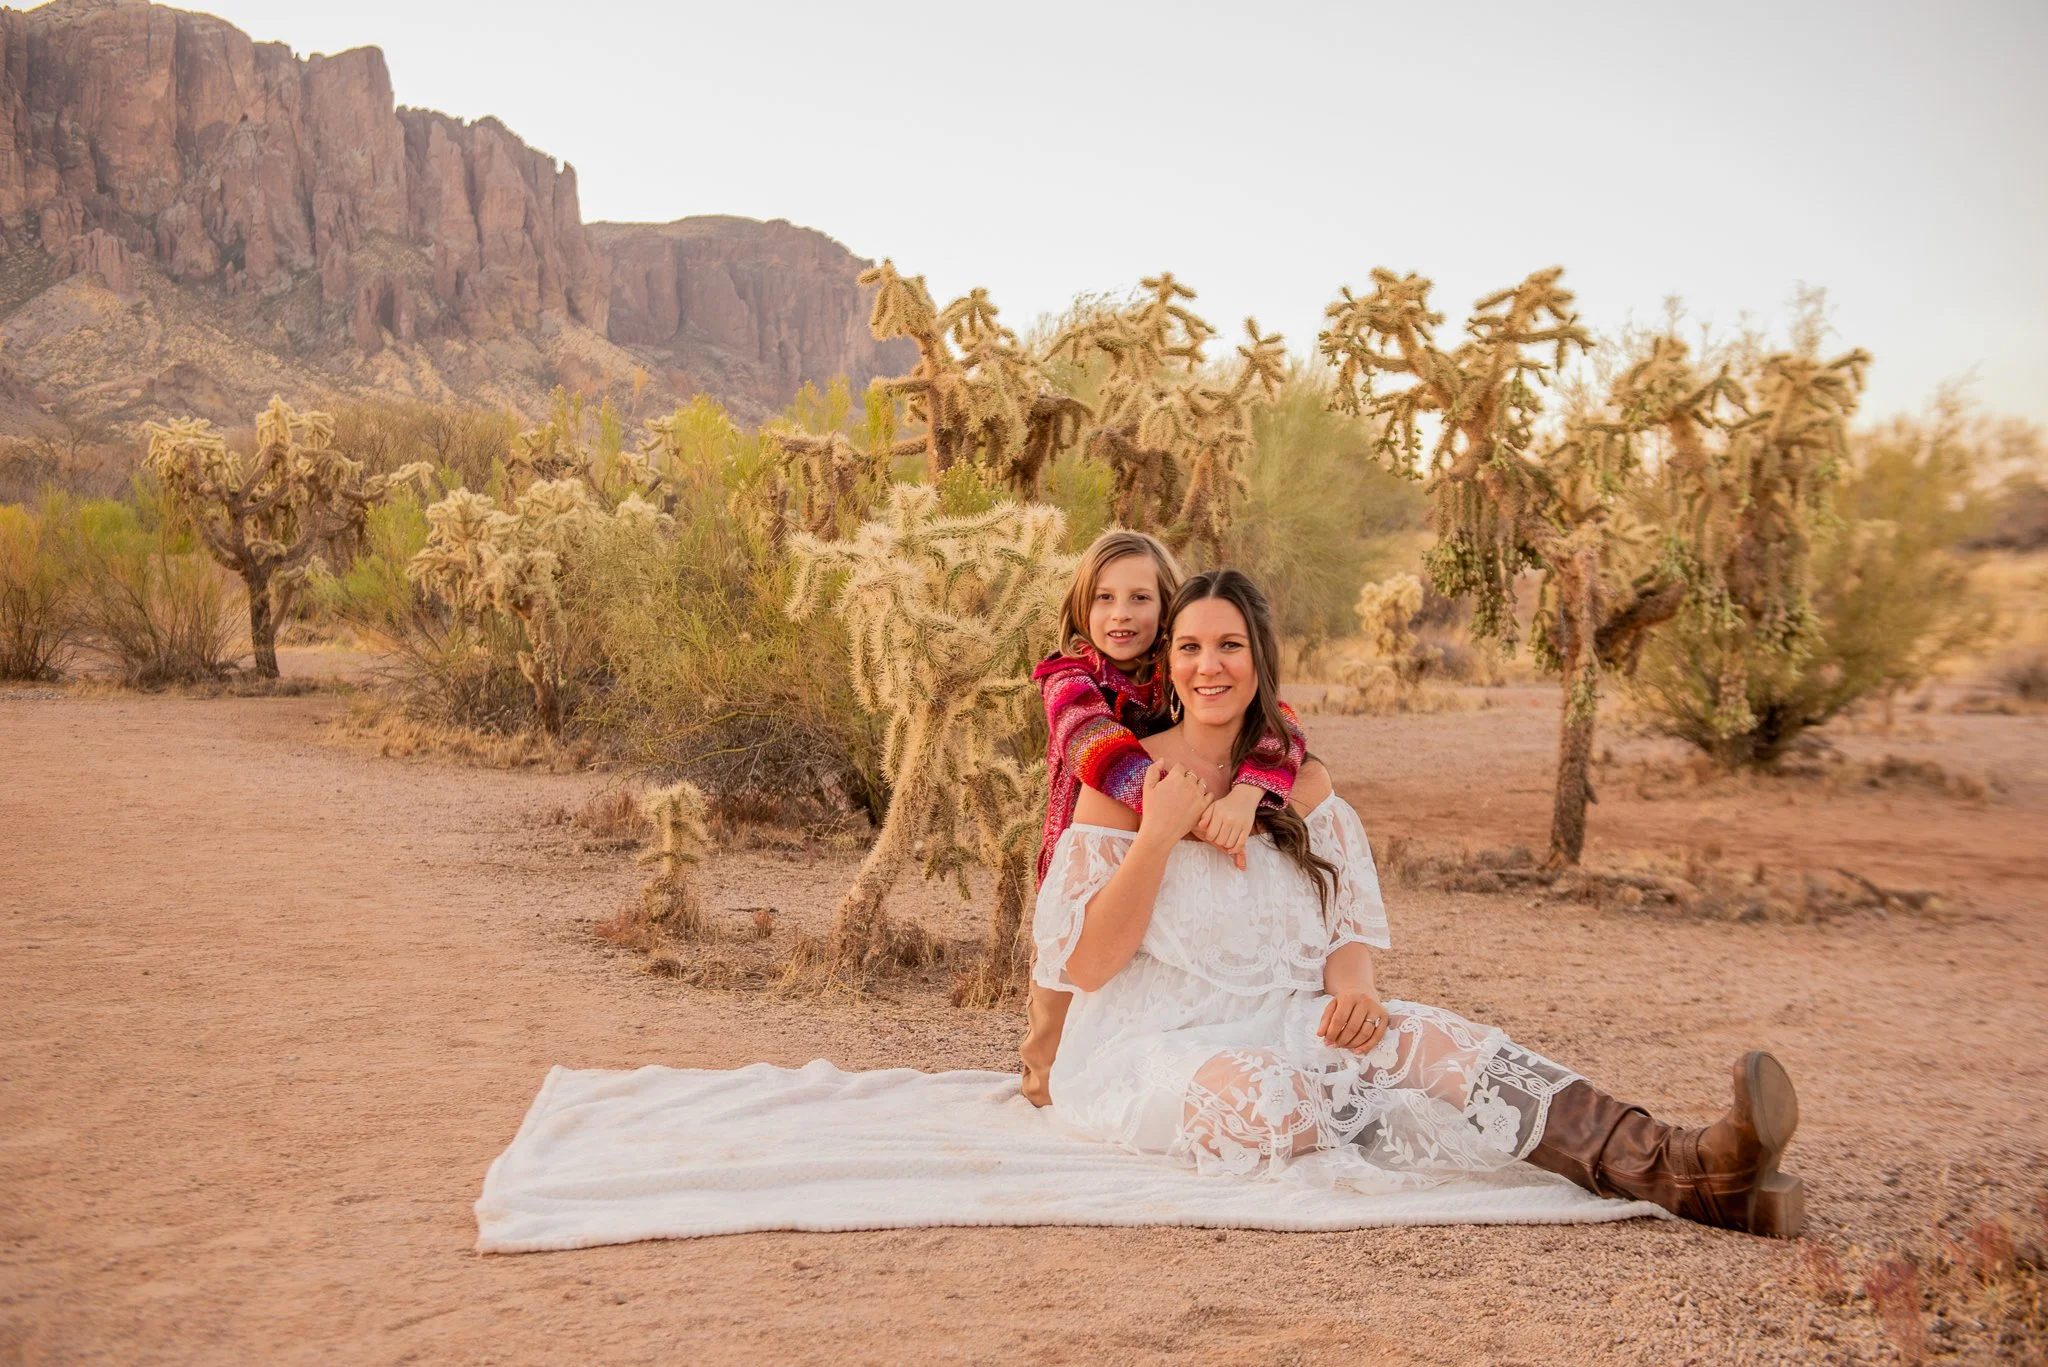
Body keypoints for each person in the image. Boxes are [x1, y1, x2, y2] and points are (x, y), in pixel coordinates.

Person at [1031, 568, 1805, 1236]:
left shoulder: (1301, 785)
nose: (1210, 666)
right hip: (1151, 1042)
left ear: (1262, 660)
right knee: (1268, 1099)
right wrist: (1157, 836)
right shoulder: (1126, 785)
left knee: (1442, 1038)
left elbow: (1346, 923)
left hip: (1281, 1016)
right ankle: (1405, 1111)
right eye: (1191, 647)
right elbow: (1090, 965)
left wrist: (1358, 988)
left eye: (1230, 645)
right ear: (1167, 662)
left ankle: (1690, 1167)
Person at [1020, 531, 1306, 1106]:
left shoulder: (1177, 667)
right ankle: (1041, 1080)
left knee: (1126, 985)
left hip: (1156, 843)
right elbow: (1104, 753)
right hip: (1085, 847)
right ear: (1081, 606)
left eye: (1140, 598)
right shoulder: (1069, 677)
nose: (1120, 614)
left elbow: (1285, 730)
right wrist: (1194, 814)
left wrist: (1248, 793)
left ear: (1167, 607)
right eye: (1103, 598)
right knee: (1058, 991)